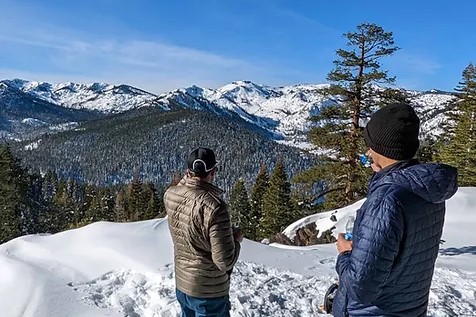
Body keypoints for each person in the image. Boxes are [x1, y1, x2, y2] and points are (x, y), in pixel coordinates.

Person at [332, 103, 458, 317]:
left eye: (370, 145)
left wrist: (345, 253)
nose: (367, 151)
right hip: (411, 308)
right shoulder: (427, 191)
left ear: (380, 148)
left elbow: (360, 287)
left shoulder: (386, 200)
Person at [164, 147, 243, 317]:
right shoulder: (215, 207)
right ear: (213, 171)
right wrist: (235, 240)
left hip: (183, 284)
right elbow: (224, 261)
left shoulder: (170, 194)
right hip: (208, 291)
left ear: (188, 171)